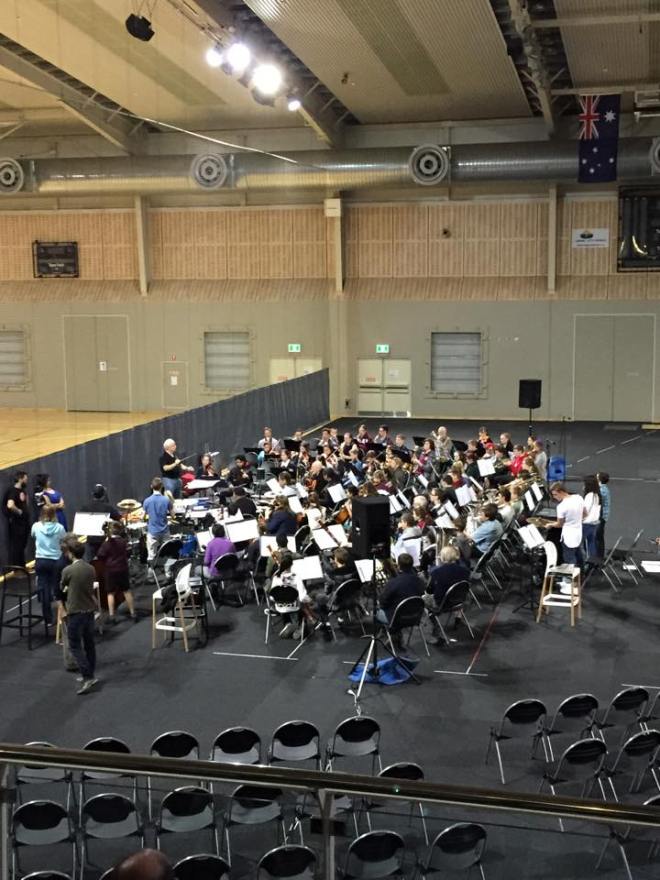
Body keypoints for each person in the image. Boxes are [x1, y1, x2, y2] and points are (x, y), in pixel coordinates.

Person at [59, 538, 99, 695]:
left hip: (75, 612)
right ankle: (91, 674)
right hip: (89, 611)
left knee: (75, 645)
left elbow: (62, 587)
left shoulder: (67, 571)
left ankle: (87, 676)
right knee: (89, 644)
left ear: (70, 553)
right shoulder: (90, 568)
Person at [31, 506, 65, 626]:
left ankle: (48, 620)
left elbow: (33, 535)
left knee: (44, 590)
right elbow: (64, 540)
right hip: (56, 560)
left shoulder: (36, 526)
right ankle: (63, 616)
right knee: (58, 588)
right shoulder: (59, 527)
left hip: (41, 560)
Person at [97, 521, 136, 622]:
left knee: (110, 593)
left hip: (111, 570)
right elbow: (128, 552)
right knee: (127, 591)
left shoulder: (107, 543)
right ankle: (133, 613)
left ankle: (111, 615)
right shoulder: (123, 541)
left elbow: (100, 555)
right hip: (123, 569)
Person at [376, 553, 423, 628]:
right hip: (415, 617)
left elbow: (382, 602)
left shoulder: (393, 582)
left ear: (399, 566)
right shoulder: (419, 581)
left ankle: (390, 634)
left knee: (376, 611)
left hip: (396, 619)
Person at [78, 484, 120, 560]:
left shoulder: (86, 507)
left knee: (92, 562)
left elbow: (80, 521)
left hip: (91, 540)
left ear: (92, 494)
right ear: (104, 495)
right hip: (104, 540)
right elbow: (118, 518)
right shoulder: (108, 507)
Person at [549, 482, 584, 566]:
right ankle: (581, 574)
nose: (554, 497)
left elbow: (559, 524)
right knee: (578, 554)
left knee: (569, 560)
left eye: (555, 494)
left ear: (561, 492)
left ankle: (571, 577)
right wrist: (576, 519)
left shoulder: (561, 507)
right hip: (578, 533)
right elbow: (585, 513)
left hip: (568, 537)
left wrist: (550, 524)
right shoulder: (578, 498)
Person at [142, 478, 172, 571]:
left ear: (151, 486)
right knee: (168, 553)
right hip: (165, 531)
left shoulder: (147, 501)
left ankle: (151, 576)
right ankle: (168, 574)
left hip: (152, 531)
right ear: (162, 487)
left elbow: (143, 516)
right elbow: (173, 514)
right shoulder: (166, 500)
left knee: (151, 554)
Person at [2, 470, 30, 566]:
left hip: (24, 523)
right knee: (17, 546)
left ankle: (23, 567)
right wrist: (19, 512)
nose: (27, 481)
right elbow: (10, 505)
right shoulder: (12, 491)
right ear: (20, 479)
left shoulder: (22, 491)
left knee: (22, 545)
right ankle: (17, 569)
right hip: (17, 524)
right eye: (25, 479)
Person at [582, 475, 602, 562]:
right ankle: (592, 561)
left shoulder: (589, 496)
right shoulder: (597, 495)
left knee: (580, 544)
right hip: (594, 523)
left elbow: (585, 511)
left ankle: (583, 562)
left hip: (586, 523)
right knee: (591, 543)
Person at [596, 472, 610, 559]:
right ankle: (600, 555)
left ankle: (598, 557)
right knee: (600, 537)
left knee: (598, 537)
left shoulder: (601, 490)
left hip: (601, 517)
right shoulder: (604, 489)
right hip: (604, 516)